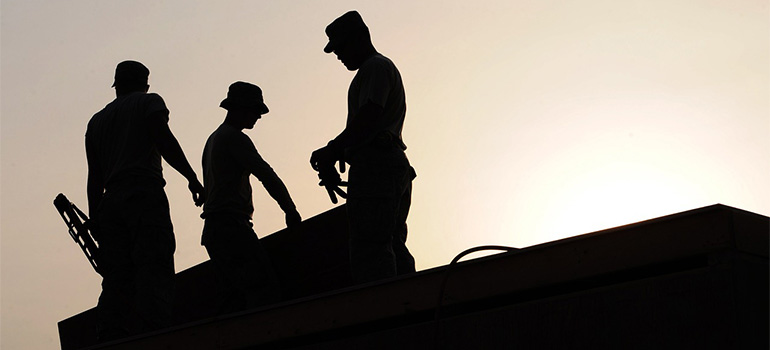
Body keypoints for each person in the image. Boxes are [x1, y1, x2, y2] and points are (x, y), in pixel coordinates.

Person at [85, 60, 205, 341]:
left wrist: (95, 217)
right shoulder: (149, 102)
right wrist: (191, 177)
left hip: (110, 203)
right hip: (143, 194)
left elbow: (94, 177)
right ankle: (156, 334)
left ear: (116, 86)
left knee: (116, 277)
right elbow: (164, 140)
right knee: (154, 264)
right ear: (145, 84)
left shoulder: (96, 121)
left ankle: (110, 334)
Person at [310, 11, 416, 283]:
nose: (338, 56)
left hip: (379, 167)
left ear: (359, 39)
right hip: (386, 165)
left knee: (371, 248)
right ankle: (410, 307)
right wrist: (340, 154)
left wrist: (333, 150)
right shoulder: (373, 71)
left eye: (341, 48)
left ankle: (384, 313)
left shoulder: (375, 67)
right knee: (391, 244)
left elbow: (370, 115)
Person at [201, 81, 301, 313]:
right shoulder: (234, 138)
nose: (258, 117)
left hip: (216, 230)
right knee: (263, 290)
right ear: (240, 108)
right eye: (255, 111)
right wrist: (290, 209)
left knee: (233, 299)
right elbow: (266, 174)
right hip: (230, 228)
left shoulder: (213, 139)